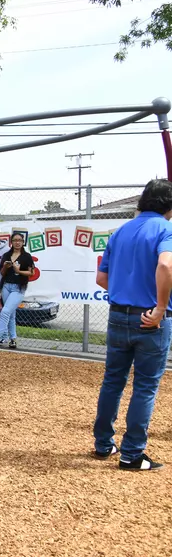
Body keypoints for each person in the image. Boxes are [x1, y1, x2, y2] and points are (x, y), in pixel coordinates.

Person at [92, 179, 172, 470]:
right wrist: (161, 307)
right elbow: (166, 265)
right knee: (145, 387)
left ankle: (103, 445)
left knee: (113, 380)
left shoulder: (121, 230)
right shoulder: (166, 230)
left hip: (118, 314)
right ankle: (132, 454)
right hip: (150, 319)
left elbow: (102, 279)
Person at [0, 232, 34, 349]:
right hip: (6, 286)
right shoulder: (7, 255)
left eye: (19, 240)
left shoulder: (26, 256)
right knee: (10, 314)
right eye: (15, 240)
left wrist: (19, 271)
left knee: (5, 311)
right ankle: (13, 339)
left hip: (19, 287)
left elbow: (31, 272)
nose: (17, 242)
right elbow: (1, 272)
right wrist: (6, 266)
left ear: (23, 242)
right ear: (11, 242)